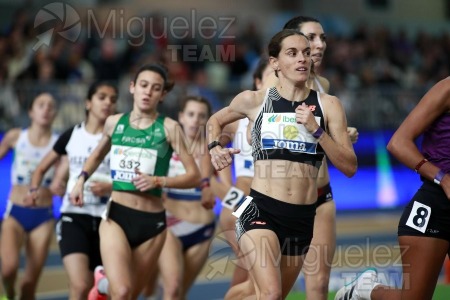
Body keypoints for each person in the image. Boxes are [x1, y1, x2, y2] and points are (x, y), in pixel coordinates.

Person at [207, 29, 357, 299]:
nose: (302, 59)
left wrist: (318, 132)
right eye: (292, 53)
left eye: (306, 53)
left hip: (301, 218)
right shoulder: (255, 101)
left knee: (269, 294)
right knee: (272, 293)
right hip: (260, 210)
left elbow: (349, 167)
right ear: (275, 62)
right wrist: (214, 147)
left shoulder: (328, 105)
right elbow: (214, 121)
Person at [71, 63, 201, 299]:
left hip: (153, 224)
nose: (147, 92)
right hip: (116, 217)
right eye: (143, 85)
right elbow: (98, 154)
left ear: (162, 95)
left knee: (131, 295)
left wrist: (159, 181)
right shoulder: (115, 122)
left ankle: (102, 285)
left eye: (155, 88)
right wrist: (81, 179)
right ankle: (102, 284)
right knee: (121, 291)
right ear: (132, 87)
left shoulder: (170, 128)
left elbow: (194, 175)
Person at [335, 77, 450, 300]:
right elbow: (399, 142)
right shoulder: (446, 89)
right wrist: (443, 178)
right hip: (435, 207)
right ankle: (363, 290)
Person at [283, 16, 359, 299]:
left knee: (318, 286)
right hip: (283, 200)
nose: (319, 44)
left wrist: (338, 134)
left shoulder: (323, 85)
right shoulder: (273, 85)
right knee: (268, 290)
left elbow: (320, 136)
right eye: (311, 37)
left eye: (322, 38)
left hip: (321, 195)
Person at [28, 81, 118, 299]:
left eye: (113, 100)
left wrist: (110, 187)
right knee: (80, 284)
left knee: (104, 290)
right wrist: (35, 189)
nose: (108, 103)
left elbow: (130, 179)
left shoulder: (119, 139)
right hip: (74, 217)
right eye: (102, 97)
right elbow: (41, 168)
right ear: (88, 103)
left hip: (108, 220)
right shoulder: (72, 135)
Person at [142, 95, 222, 300]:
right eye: (191, 114)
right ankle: (151, 288)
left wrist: (247, 213)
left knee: (180, 293)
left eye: (201, 116)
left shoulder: (214, 151)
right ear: (181, 117)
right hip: (170, 226)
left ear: (208, 120)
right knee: (172, 287)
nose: (196, 120)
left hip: (202, 228)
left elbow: (228, 190)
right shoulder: (164, 148)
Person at [0, 92, 58, 299]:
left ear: (55, 114)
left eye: (51, 106)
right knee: (8, 269)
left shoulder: (59, 144)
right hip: (14, 212)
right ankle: (7, 293)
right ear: (31, 111)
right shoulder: (16, 136)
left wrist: (61, 184)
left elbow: (62, 177)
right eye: (41, 104)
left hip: (42, 216)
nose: (46, 109)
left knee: (29, 285)